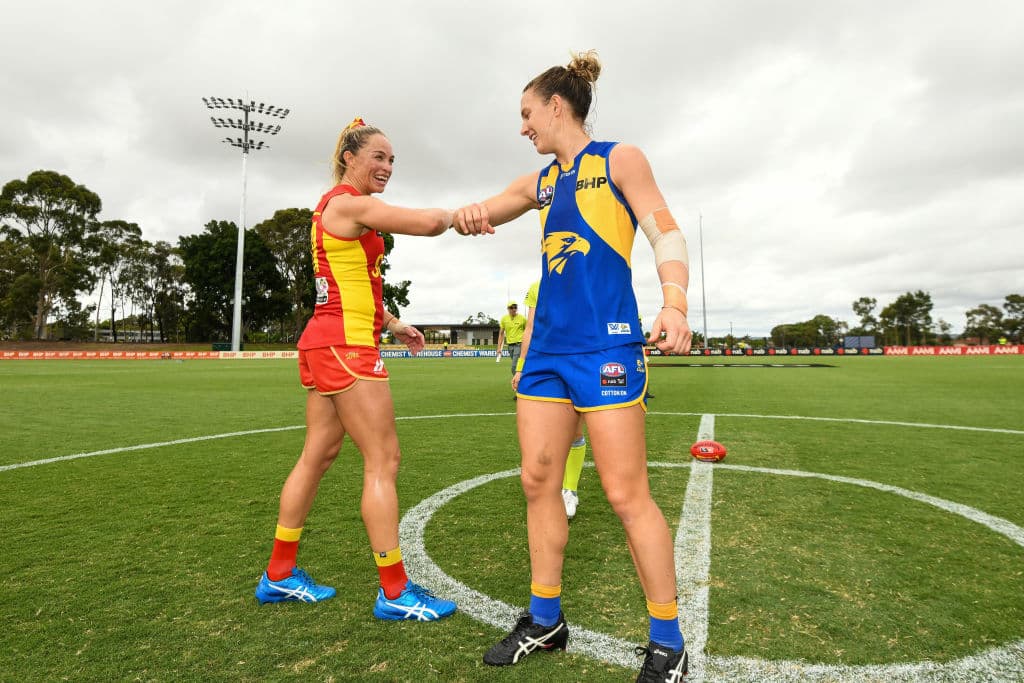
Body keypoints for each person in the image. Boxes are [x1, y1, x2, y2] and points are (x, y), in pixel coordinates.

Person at [454, 51, 693, 681]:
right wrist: (459, 217)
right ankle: (545, 619)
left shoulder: (619, 158)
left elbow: (665, 231)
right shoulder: (542, 182)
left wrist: (674, 302)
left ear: (556, 106)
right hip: (545, 356)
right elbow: (493, 204)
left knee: (623, 492)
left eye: (527, 114)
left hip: (607, 349)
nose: (523, 127)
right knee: (538, 480)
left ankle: (667, 640)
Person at [254, 118, 457, 623]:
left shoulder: (337, 211)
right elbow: (428, 223)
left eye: (392, 160)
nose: (386, 167)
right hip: (345, 348)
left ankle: (278, 574)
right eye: (378, 157)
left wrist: (392, 322)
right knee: (383, 460)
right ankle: (395, 591)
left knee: (317, 456)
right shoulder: (347, 203)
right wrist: (463, 214)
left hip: (328, 342)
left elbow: (352, 280)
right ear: (350, 157)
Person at [517, 280, 587, 520]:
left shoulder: (585, 275)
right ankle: (551, 487)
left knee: (575, 430)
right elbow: (531, 328)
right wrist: (520, 367)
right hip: (546, 363)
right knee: (545, 431)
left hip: (582, 358)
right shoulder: (538, 286)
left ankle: (570, 490)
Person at [496, 301, 527, 382]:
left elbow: (528, 331)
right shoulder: (504, 319)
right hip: (510, 346)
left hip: (519, 344)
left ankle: (519, 384)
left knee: (514, 367)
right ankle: (524, 380)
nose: (513, 309)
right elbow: (501, 334)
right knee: (519, 366)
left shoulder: (523, 318)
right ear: (508, 309)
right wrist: (499, 348)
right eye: (511, 307)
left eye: (515, 307)